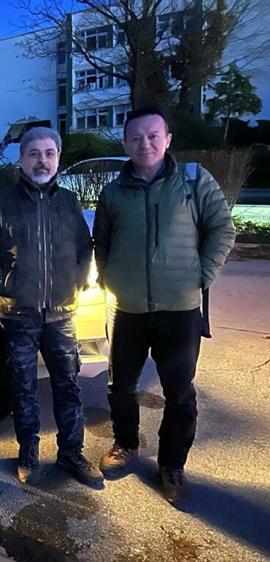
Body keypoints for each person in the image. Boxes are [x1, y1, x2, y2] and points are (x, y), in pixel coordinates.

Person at [94, 107, 235, 506]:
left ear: (167, 139)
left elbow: (222, 228)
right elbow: (102, 242)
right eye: (136, 137)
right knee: (120, 386)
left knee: (179, 393)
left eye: (153, 135)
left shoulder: (193, 180)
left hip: (180, 309)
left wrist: (202, 274)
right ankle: (125, 444)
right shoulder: (113, 193)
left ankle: (172, 465)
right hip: (128, 309)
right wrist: (109, 278)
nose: (146, 144)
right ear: (126, 143)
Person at [0, 126, 103, 488]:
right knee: (23, 387)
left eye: (49, 153)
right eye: (34, 153)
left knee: (68, 386)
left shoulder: (68, 202)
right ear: (21, 159)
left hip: (62, 313)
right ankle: (28, 453)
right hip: (19, 314)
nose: (42, 161)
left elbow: (84, 247)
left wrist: (77, 281)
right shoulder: (0, 204)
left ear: (58, 159)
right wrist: (3, 284)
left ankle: (71, 453)